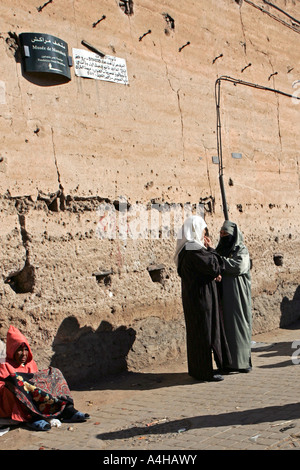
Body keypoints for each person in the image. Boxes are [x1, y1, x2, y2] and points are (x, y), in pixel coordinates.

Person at [0, 325, 90, 431]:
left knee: (55, 373)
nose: (24, 354)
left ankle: (67, 410)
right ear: (12, 351)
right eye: (19, 350)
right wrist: (15, 381)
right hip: (14, 404)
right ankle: (33, 418)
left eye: (26, 349)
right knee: (14, 381)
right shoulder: (4, 365)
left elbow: (36, 382)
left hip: (34, 399)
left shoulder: (30, 364)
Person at [174, 215, 231, 382]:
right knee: (205, 333)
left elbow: (205, 270)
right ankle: (204, 372)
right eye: (203, 232)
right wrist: (212, 249)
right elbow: (214, 265)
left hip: (194, 296)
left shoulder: (186, 250)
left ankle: (199, 370)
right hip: (202, 298)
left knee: (198, 334)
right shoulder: (193, 248)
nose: (204, 236)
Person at [215, 220, 252, 373]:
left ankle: (242, 363)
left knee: (238, 326)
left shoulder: (241, 250)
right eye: (221, 233)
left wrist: (219, 261)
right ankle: (227, 364)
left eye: (226, 234)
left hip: (237, 295)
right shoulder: (219, 250)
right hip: (223, 294)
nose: (223, 236)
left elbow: (238, 266)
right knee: (225, 328)